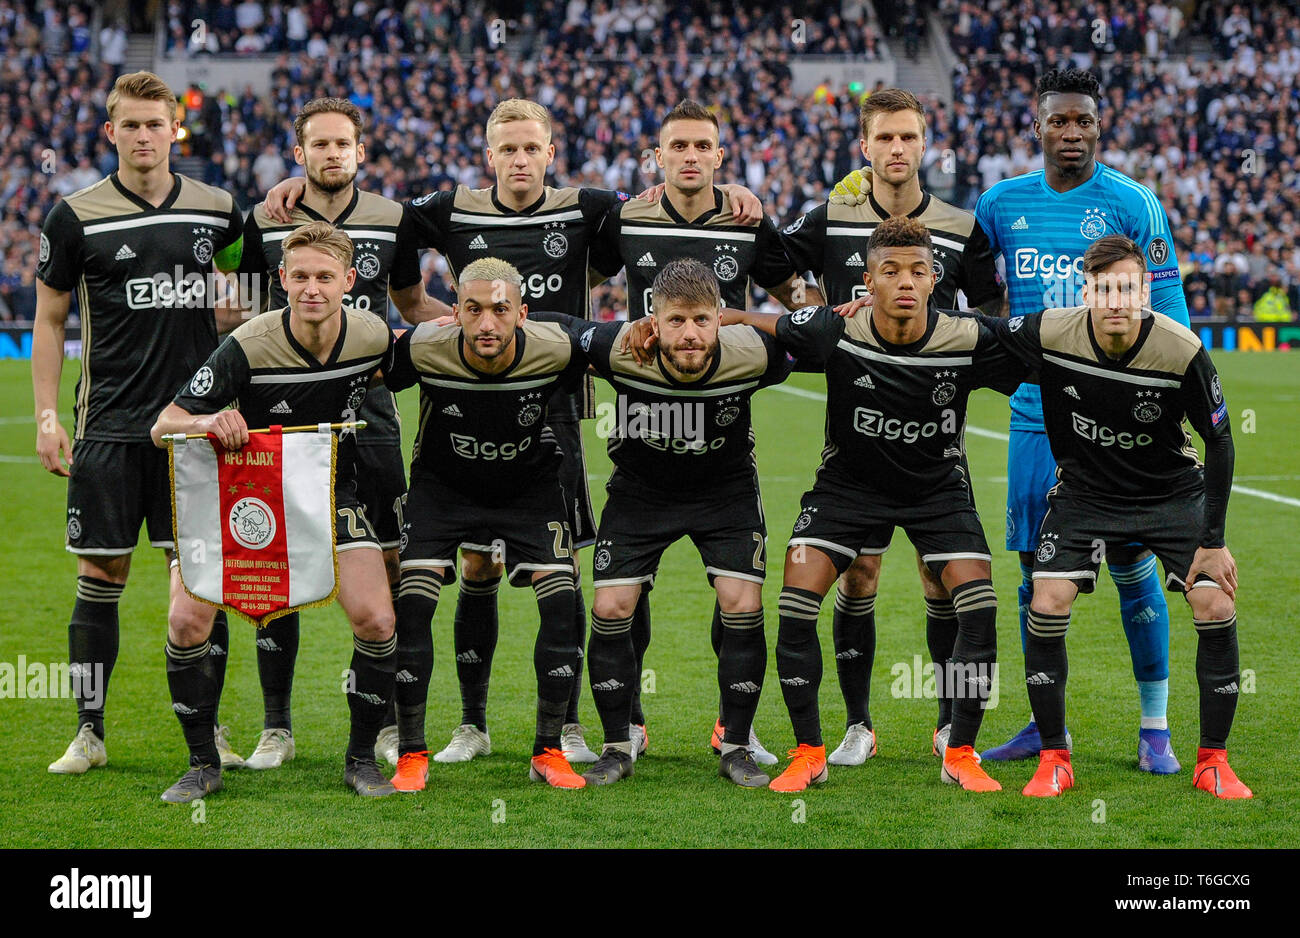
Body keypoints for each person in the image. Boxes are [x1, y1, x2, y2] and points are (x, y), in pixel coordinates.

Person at [264, 98, 765, 766]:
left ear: (551, 153)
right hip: (468, 400)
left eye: (533, 149)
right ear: (489, 153)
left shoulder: (590, 207)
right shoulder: (446, 209)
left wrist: (725, 187)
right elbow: (373, 218)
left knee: (577, 572)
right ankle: (472, 723)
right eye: (509, 149)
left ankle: (582, 724)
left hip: (553, 404)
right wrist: (302, 191)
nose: (521, 160)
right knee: (476, 563)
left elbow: (665, 201)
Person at [722, 216, 1028, 793]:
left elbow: (1038, 350)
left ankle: (959, 750)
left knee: (979, 604)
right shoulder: (835, 329)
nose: (905, 281)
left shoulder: (967, 337)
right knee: (795, 600)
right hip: (848, 486)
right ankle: (810, 749)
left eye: (918, 270)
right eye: (891, 271)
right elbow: (775, 325)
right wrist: (731, 316)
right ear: (869, 281)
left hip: (938, 488)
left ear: (935, 278)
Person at [589, 99, 822, 761]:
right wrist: (610, 341)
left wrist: (747, 326)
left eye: (702, 146)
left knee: (737, 597)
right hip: (639, 441)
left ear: (720, 156)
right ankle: (626, 726)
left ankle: (733, 730)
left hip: (722, 439)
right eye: (677, 146)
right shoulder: (625, 219)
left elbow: (801, 306)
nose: (690, 156)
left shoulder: (748, 223)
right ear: (657, 156)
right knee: (621, 602)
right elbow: (573, 291)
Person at [972, 68, 1192, 771]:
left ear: (1101, 126)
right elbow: (980, 303)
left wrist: (1171, 407)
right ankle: (1045, 724)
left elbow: (1172, 312)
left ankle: (1154, 726)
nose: (1072, 133)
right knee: (1036, 574)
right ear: (1036, 128)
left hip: (1120, 421)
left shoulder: (1135, 203)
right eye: (1058, 121)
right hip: (1036, 417)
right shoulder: (1001, 204)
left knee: (1133, 563)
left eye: (1084, 122)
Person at [982, 235, 1250, 800]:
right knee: (1045, 598)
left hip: (1170, 493)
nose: (1116, 300)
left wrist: (1213, 540)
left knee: (1214, 599)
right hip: (1085, 494)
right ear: (1088, 291)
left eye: (1127, 287)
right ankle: (1054, 756)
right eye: (1103, 288)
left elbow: (1221, 442)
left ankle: (1213, 762)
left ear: (1145, 289)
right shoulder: (1054, 332)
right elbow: (979, 336)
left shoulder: (1180, 349)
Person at [781, 87, 1004, 765]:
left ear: (925, 143)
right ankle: (857, 724)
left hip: (934, 432)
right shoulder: (833, 213)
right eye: (885, 138)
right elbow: (779, 267)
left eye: (908, 137)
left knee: (942, 580)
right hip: (854, 433)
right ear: (866, 146)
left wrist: (956, 344)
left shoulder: (963, 227)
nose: (897, 149)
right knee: (860, 575)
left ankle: (948, 723)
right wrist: (816, 309)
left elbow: (992, 311)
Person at [34, 71, 246, 778]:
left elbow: (252, 291)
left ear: (173, 131)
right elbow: (50, 316)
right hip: (109, 428)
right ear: (111, 133)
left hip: (193, 430)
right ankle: (88, 734)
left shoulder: (218, 212)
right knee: (102, 574)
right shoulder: (74, 215)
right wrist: (44, 416)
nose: (145, 136)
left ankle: (208, 732)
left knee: (202, 584)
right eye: (131, 125)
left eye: (157, 124)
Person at [151, 221, 399, 800]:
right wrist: (206, 420)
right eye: (301, 277)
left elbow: (428, 359)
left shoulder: (373, 337)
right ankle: (202, 762)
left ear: (349, 281)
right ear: (282, 279)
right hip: (245, 500)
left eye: (325, 277)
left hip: (330, 497)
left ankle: (362, 759)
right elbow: (163, 424)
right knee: (186, 621)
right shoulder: (247, 344)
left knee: (378, 620)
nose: (312, 288)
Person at [236, 97, 444, 771]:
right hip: (280, 428)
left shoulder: (394, 220)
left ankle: (384, 725)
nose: (332, 154)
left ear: (361, 151)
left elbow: (413, 309)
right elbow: (238, 320)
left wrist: (487, 328)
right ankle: (276, 728)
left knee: (386, 569)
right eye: (318, 144)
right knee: (275, 574)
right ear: (298, 154)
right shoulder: (265, 220)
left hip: (371, 422)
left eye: (343, 144)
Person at [533, 258, 794, 787]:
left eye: (702, 319)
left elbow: (812, 333)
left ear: (720, 317)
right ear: (653, 319)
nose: (690, 334)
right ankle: (617, 746)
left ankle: (736, 745)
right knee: (610, 605)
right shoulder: (620, 347)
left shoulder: (753, 354)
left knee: (741, 602)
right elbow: (551, 321)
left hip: (725, 495)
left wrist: (750, 318)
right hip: (640, 495)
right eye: (675, 321)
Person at [381, 257, 593, 792]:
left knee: (563, 601)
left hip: (528, 490)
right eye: (473, 310)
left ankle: (548, 750)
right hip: (443, 490)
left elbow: (626, 345)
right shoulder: (423, 347)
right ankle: (411, 752)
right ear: (454, 313)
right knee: (413, 604)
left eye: (500, 310)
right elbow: (362, 362)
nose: (487, 325)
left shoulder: (559, 347)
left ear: (523, 314)